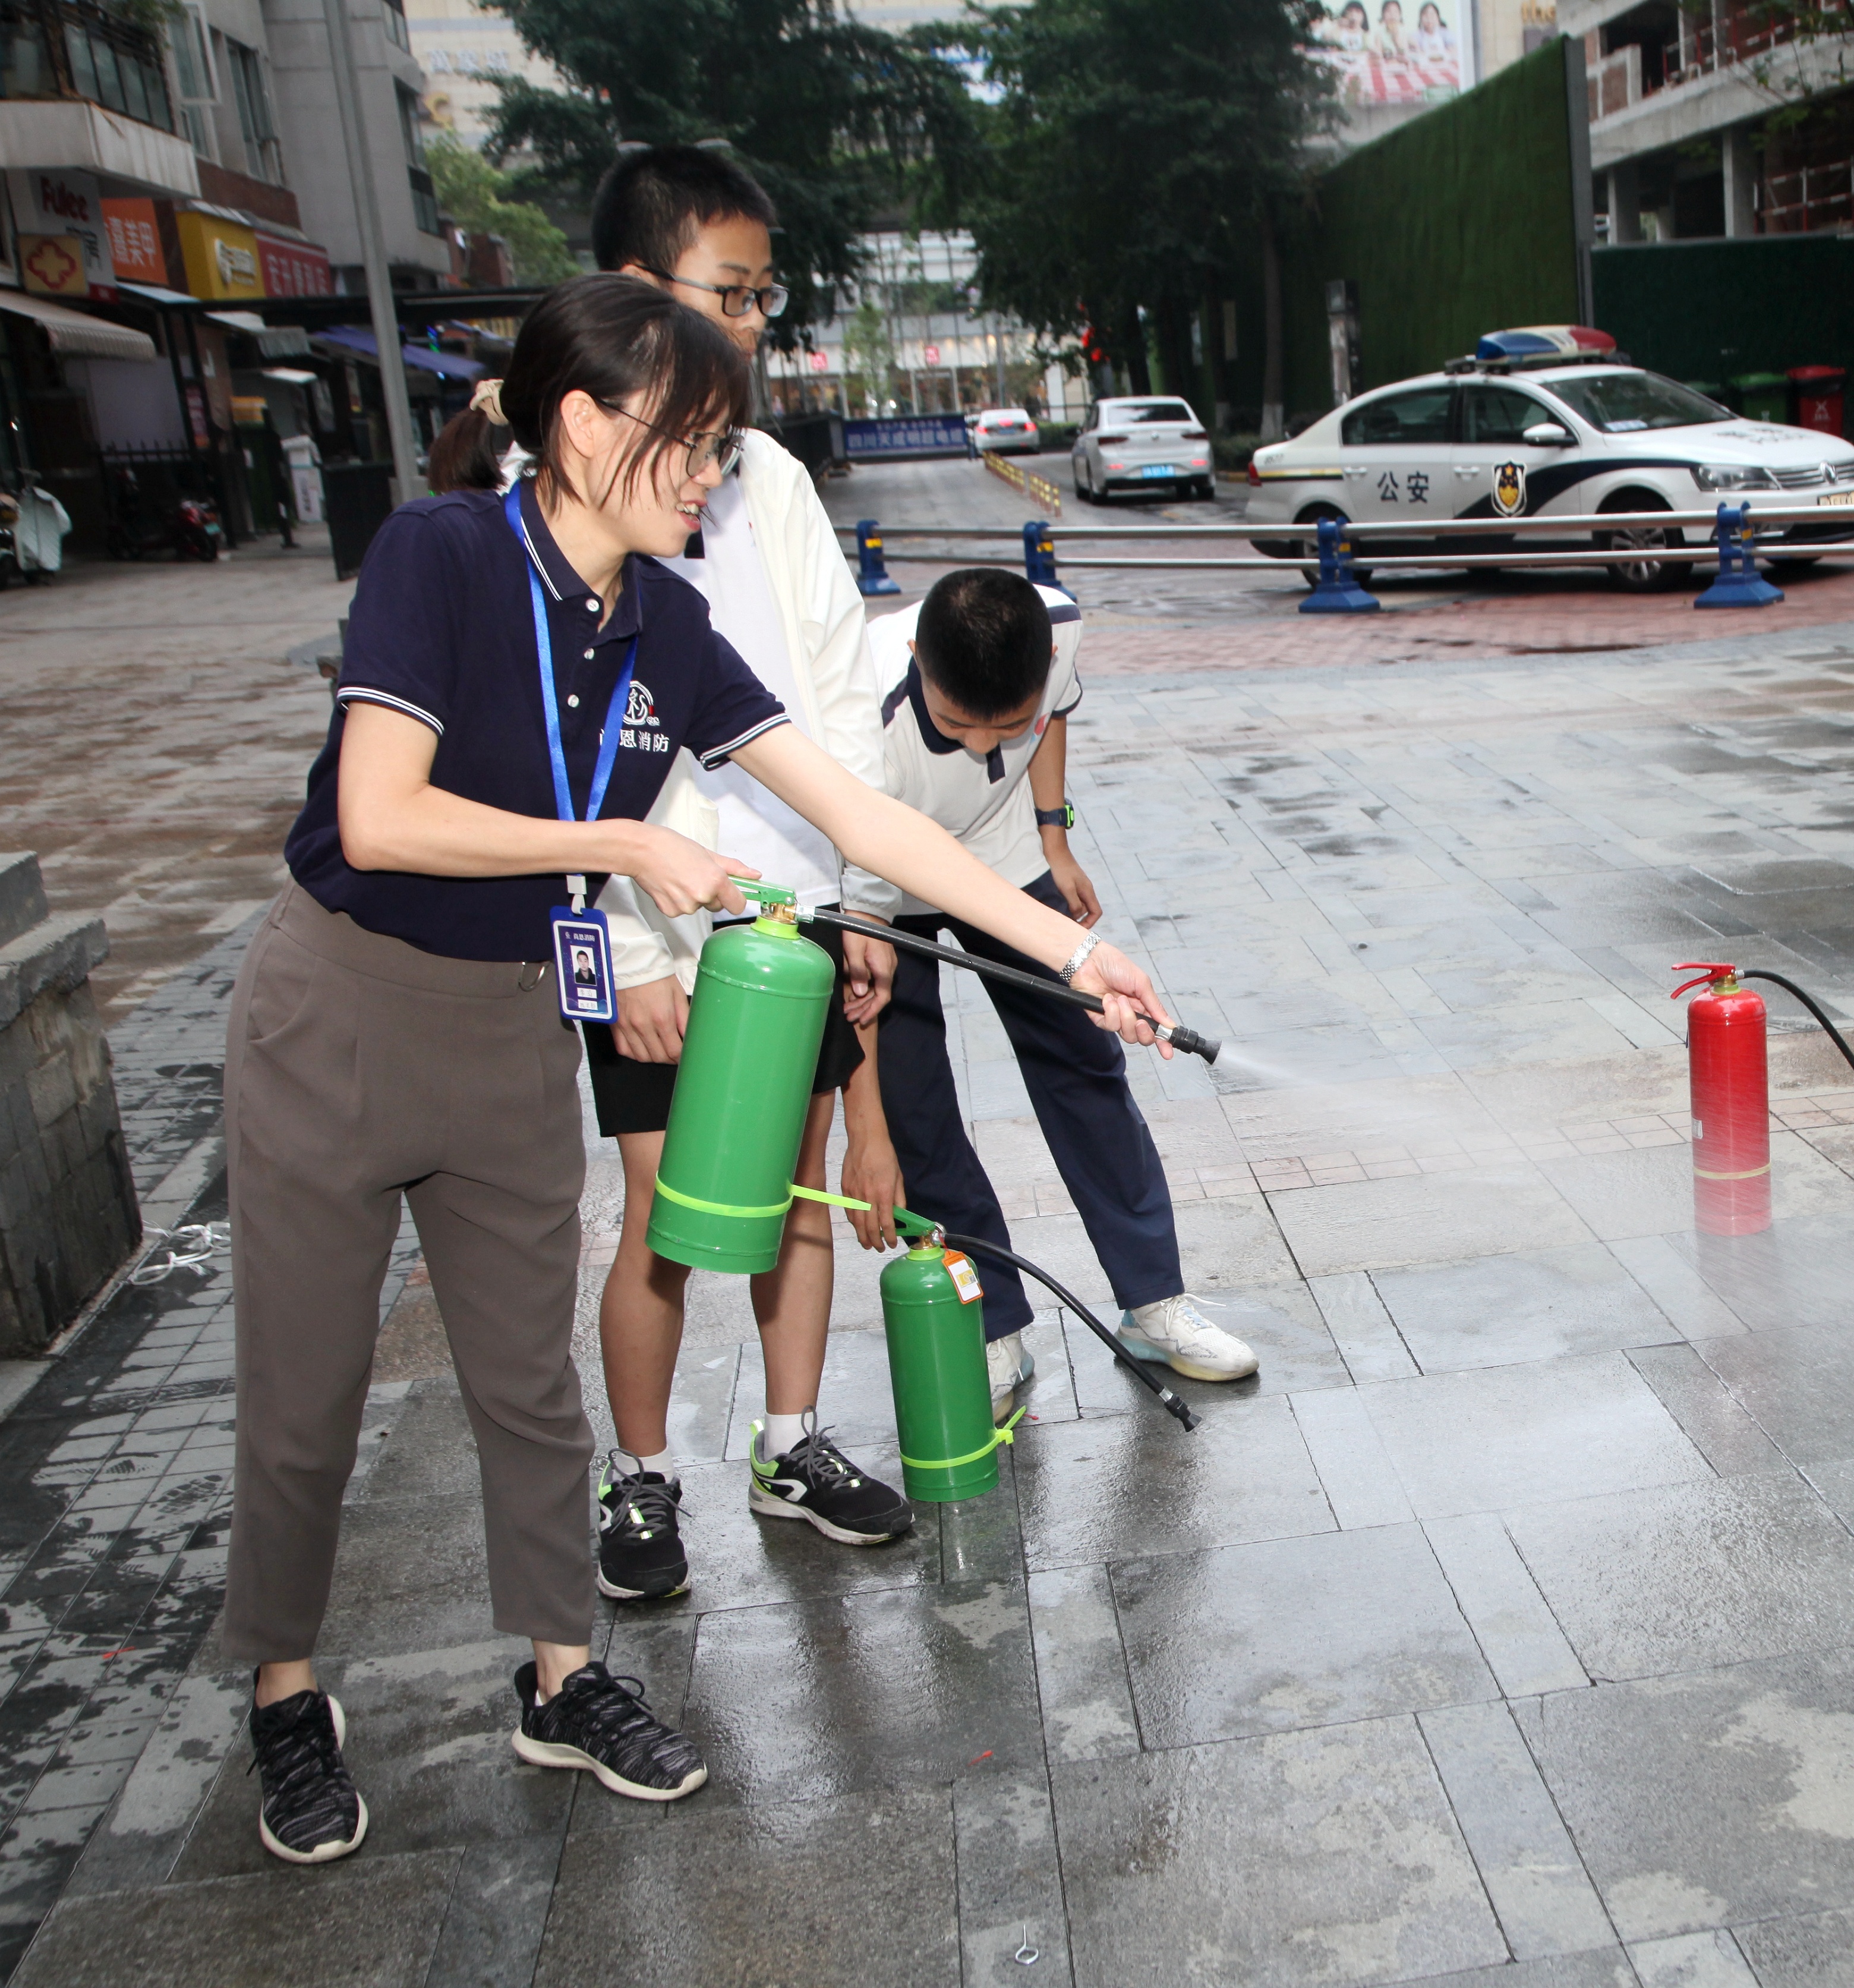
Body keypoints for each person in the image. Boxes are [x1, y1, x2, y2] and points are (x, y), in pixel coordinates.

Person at [228, 275, 1175, 1866]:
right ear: (585, 422)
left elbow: (863, 821)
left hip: (508, 1018)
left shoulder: (663, 618)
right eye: (690, 442)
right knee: (306, 1394)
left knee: (529, 1391)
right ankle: (281, 1693)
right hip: (338, 1005)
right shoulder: (438, 556)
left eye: (723, 447)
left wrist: (1074, 950)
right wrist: (624, 843)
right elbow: (380, 814)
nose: (709, 477)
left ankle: (560, 1673)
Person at [582, 145, 912, 1602]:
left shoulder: (766, 476)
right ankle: (641, 1474)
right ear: (642, 290)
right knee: (662, 1215)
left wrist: (857, 899)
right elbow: (586, 764)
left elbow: (840, 696)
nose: (758, 319)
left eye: (765, 293)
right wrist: (638, 954)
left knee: (792, 1199)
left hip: (791, 905)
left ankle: (790, 1441)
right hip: (660, 921)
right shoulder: (592, 501)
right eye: (734, 289)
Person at [856, 568, 1260, 1420]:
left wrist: (1052, 833)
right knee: (915, 1101)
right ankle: (991, 1323)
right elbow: (854, 934)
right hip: (878, 884)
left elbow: (1056, 715)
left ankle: (1153, 1300)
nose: (978, 748)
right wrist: (865, 1130)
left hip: (1005, 861)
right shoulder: (857, 716)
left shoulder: (1058, 625)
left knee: (1084, 1063)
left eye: (1003, 725)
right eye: (958, 724)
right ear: (916, 667)